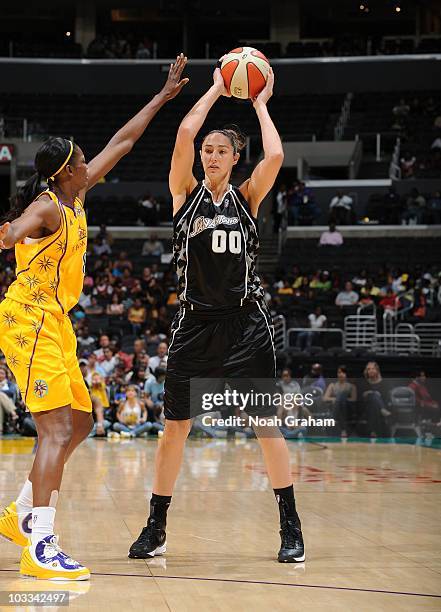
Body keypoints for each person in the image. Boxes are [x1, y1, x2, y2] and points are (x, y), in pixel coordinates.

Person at [0, 54, 188, 581]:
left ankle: (20, 513)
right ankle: (41, 545)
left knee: (81, 421)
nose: (91, 163)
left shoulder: (76, 193)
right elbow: (11, 234)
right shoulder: (48, 208)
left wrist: (162, 97)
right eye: (83, 160)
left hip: (54, 321)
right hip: (28, 318)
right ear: (65, 172)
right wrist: (9, 232)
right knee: (55, 429)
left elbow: (123, 143)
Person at [129, 64, 305, 563]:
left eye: (219, 150)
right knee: (174, 430)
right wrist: (215, 87)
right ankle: (156, 526)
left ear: (234, 159)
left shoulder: (248, 197)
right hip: (194, 323)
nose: (209, 155)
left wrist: (259, 104)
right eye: (207, 150)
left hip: (246, 325)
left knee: (265, 426)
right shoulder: (184, 195)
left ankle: (290, 527)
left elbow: (275, 155)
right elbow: (185, 130)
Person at [359, 362, 391, 437]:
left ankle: (373, 432)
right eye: (368, 369)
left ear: (377, 370)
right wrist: (372, 394)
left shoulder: (384, 383)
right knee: (373, 396)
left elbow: (386, 398)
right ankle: (382, 409)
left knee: (374, 403)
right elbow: (361, 397)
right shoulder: (363, 382)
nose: (370, 371)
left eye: (373, 368)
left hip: (375, 408)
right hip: (365, 408)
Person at [323, 365, 357, 437]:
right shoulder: (332, 385)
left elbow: (354, 399)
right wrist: (336, 399)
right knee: (340, 397)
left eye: (343, 372)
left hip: (348, 409)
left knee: (342, 395)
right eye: (339, 372)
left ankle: (332, 419)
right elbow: (325, 398)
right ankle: (343, 430)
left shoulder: (351, 386)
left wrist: (342, 399)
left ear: (346, 374)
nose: (341, 374)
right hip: (336, 409)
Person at [0, 365, 19, 435]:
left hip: (10, 402)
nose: (0, 375)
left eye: (2, 373)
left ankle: (0, 430)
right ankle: (13, 412)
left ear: (5, 375)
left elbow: (11, 392)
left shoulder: (9, 384)